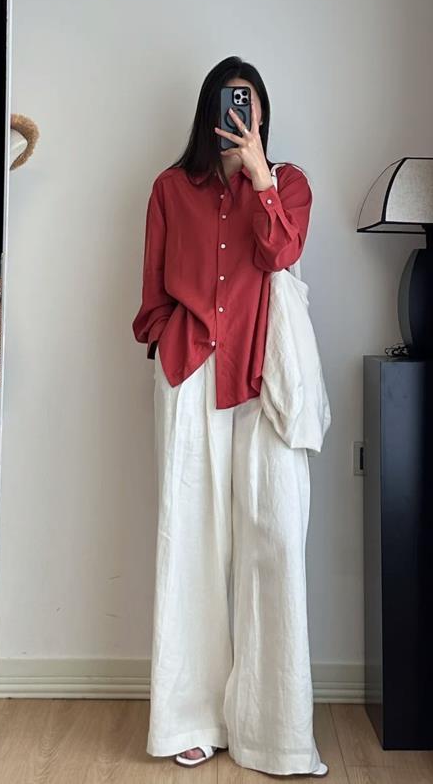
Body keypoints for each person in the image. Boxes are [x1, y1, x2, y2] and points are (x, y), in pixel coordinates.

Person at [132, 55, 327, 778]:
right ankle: (189, 717)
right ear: (207, 111)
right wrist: (167, 342)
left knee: (274, 543)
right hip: (190, 374)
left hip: (264, 379)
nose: (238, 113)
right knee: (189, 541)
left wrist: (259, 175)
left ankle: (275, 729)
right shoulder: (168, 189)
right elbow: (151, 295)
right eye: (227, 101)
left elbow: (281, 251)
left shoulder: (289, 184)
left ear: (262, 113)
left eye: (249, 102)